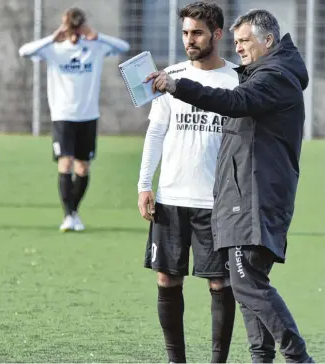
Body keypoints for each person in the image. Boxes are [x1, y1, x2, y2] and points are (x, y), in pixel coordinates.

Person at [146, 8, 315, 363]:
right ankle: (261, 358)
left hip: (254, 200)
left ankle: (299, 358)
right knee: (247, 286)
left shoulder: (275, 77)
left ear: (268, 41)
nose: (239, 48)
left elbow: (235, 102)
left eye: (244, 41)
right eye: (236, 41)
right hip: (243, 198)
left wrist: (178, 86)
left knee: (246, 285)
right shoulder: (265, 73)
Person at [138, 2, 239, 363]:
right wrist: (144, 185)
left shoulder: (238, 79)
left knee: (221, 284)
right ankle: (175, 360)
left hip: (218, 201)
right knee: (167, 280)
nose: (189, 40)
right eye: (185, 32)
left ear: (217, 34)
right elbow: (155, 133)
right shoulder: (170, 76)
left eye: (196, 32)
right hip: (172, 197)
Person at [19, 7, 130, 232]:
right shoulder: (54, 49)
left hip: (88, 116)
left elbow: (124, 47)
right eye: (71, 26)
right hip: (63, 116)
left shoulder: (95, 47)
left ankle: (74, 212)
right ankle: (69, 215)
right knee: (65, 162)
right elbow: (24, 52)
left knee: (83, 167)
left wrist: (96, 35)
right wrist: (53, 37)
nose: (74, 32)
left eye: (76, 26)